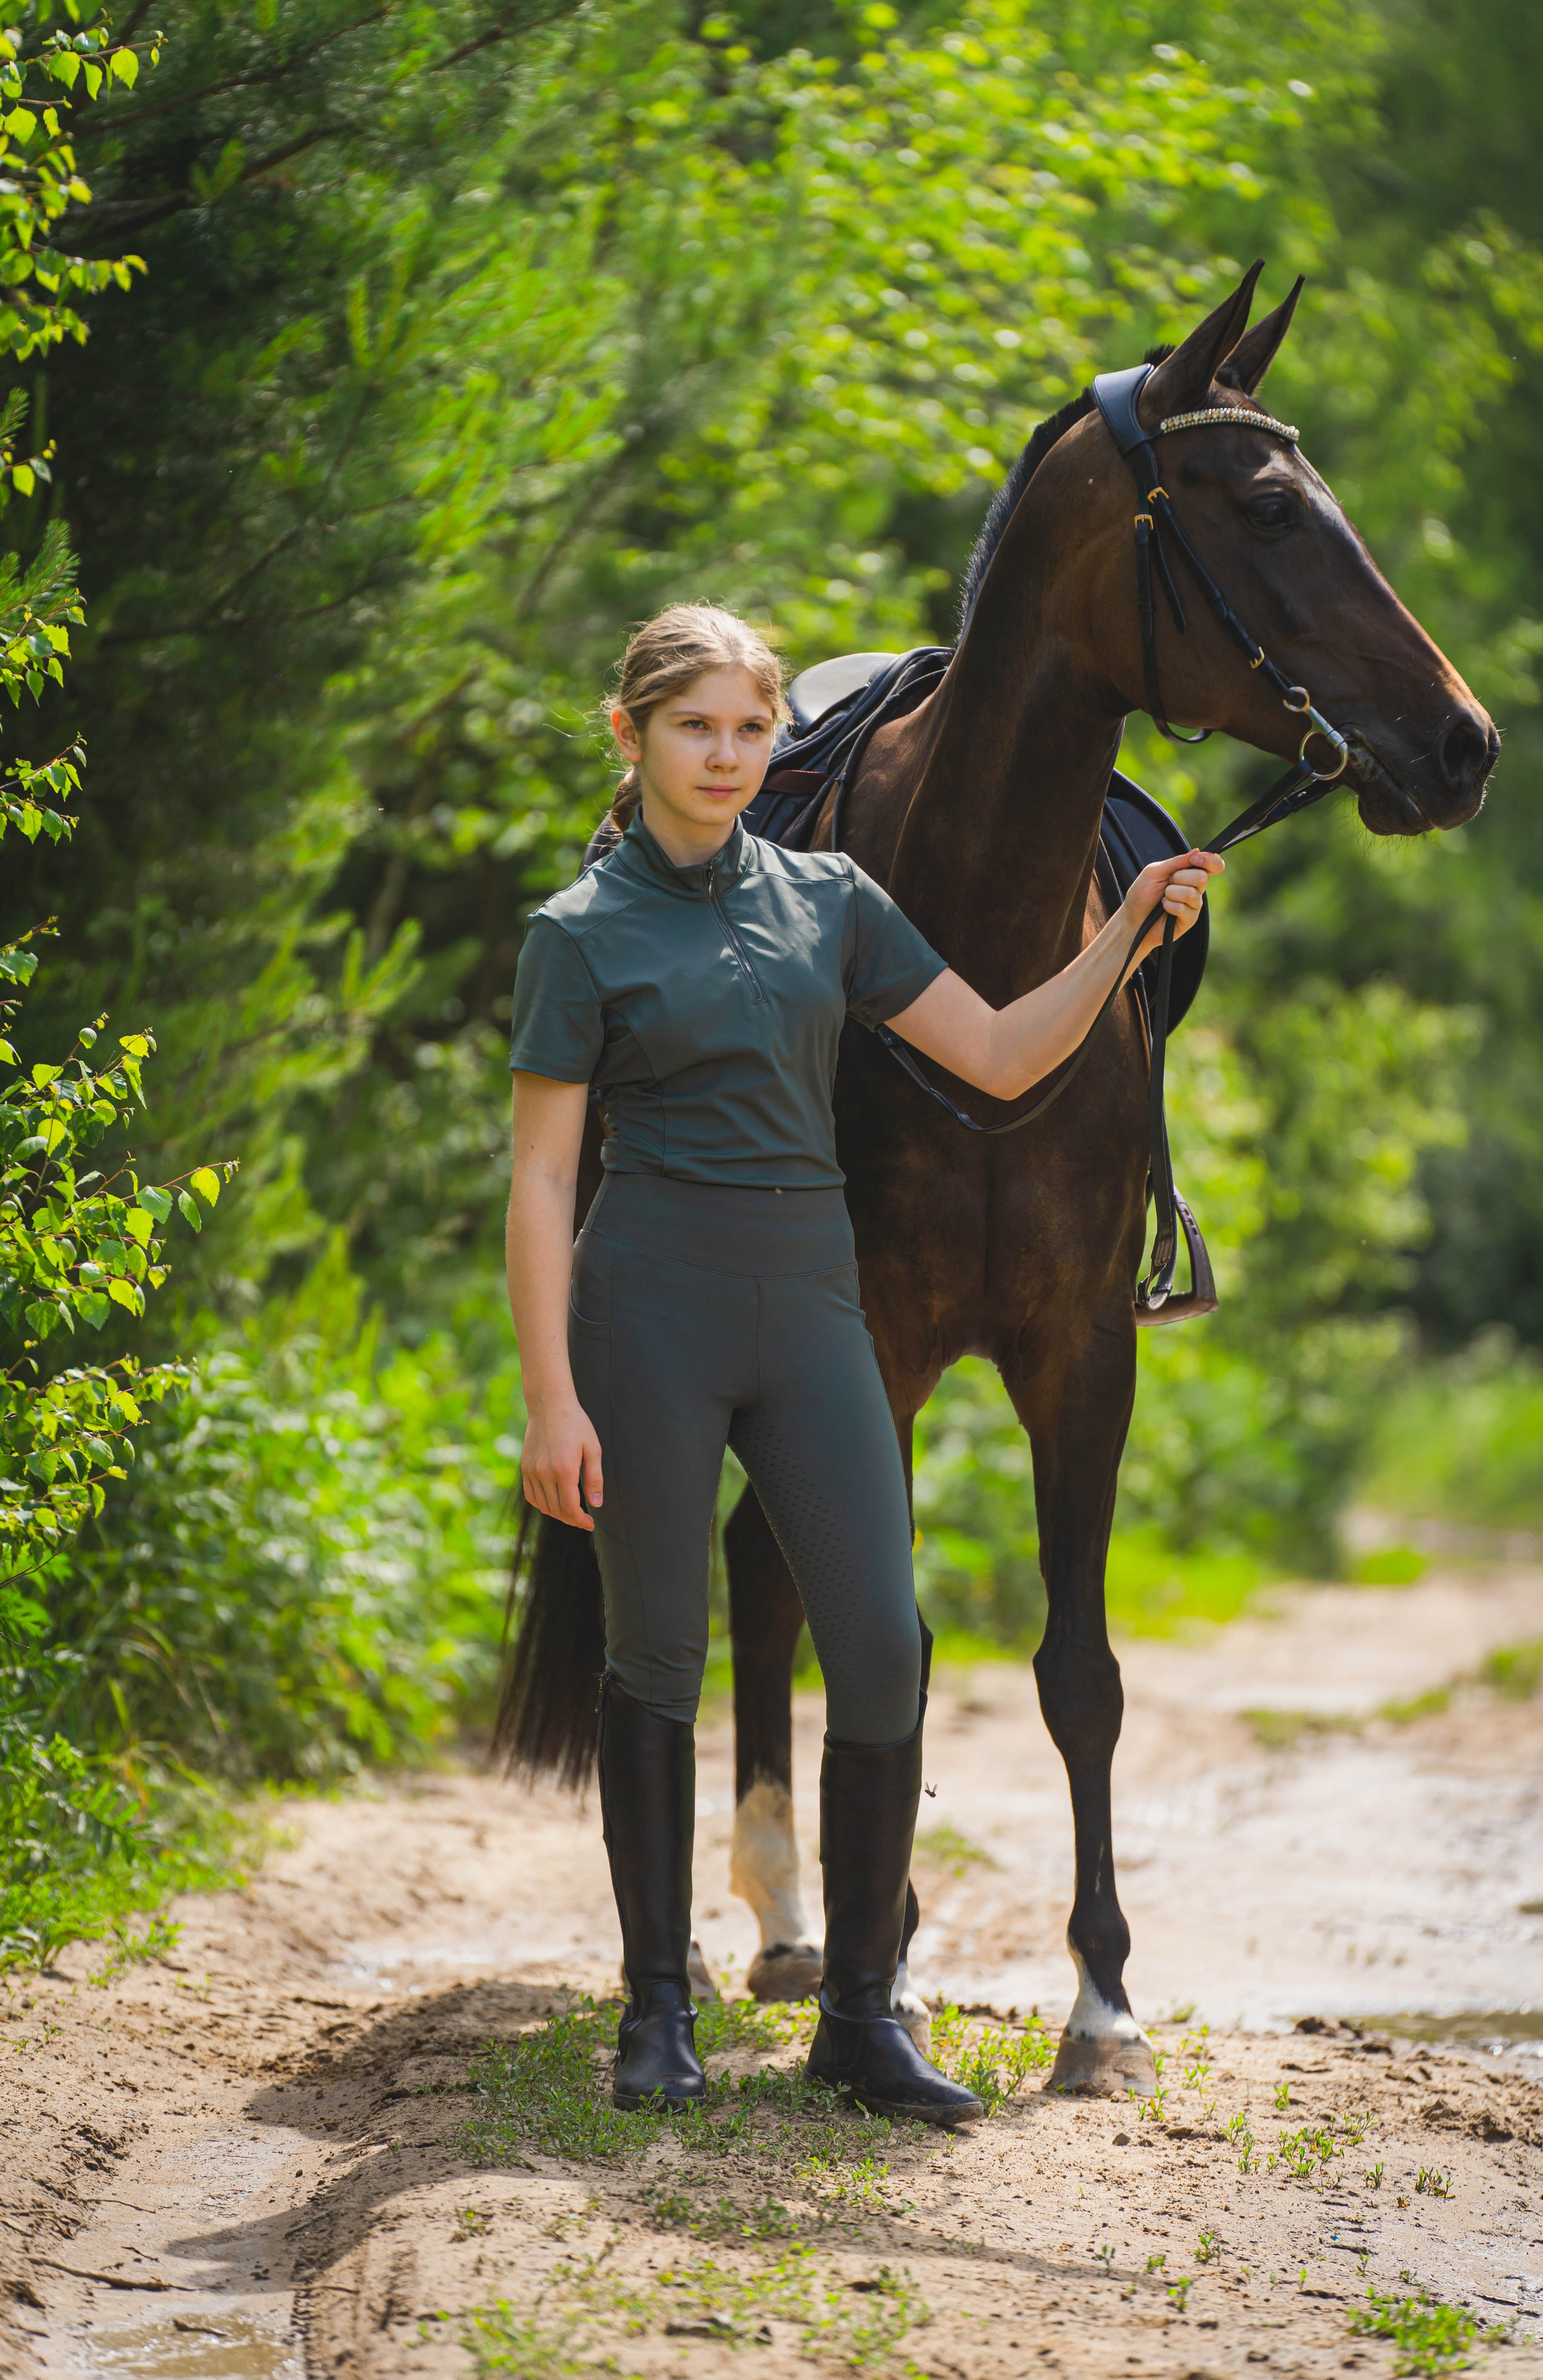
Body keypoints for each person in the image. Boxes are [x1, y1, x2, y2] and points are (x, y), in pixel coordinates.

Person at [505, 603, 1219, 2128]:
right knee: (657, 1658)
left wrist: (1123, 932)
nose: (723, 756)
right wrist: (551, 1394)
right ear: (630, 736)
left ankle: (857, 2019)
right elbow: (545, 1179)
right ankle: (656, 2011)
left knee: (883, 1650)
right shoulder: (576, 932)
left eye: (748, 729)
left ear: (775, 742)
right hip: (650, 1314)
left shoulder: (832, 898)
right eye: (692, 727)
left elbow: (1001, 1053)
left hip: (811, 1315)